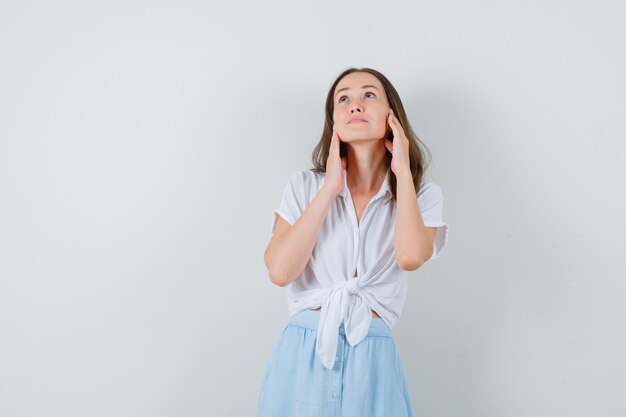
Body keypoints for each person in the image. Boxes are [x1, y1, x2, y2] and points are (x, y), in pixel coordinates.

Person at [256, 67, 449, 417]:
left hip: (372, 356)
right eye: (343, 99)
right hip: (304, 351)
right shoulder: (304, 186)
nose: (355, 105)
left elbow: (409, 256)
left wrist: (403, 171)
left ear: (393, 116)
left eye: (369, 95)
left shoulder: (421, 194)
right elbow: (281, 271)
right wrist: (330, 188)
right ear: (333, 121)